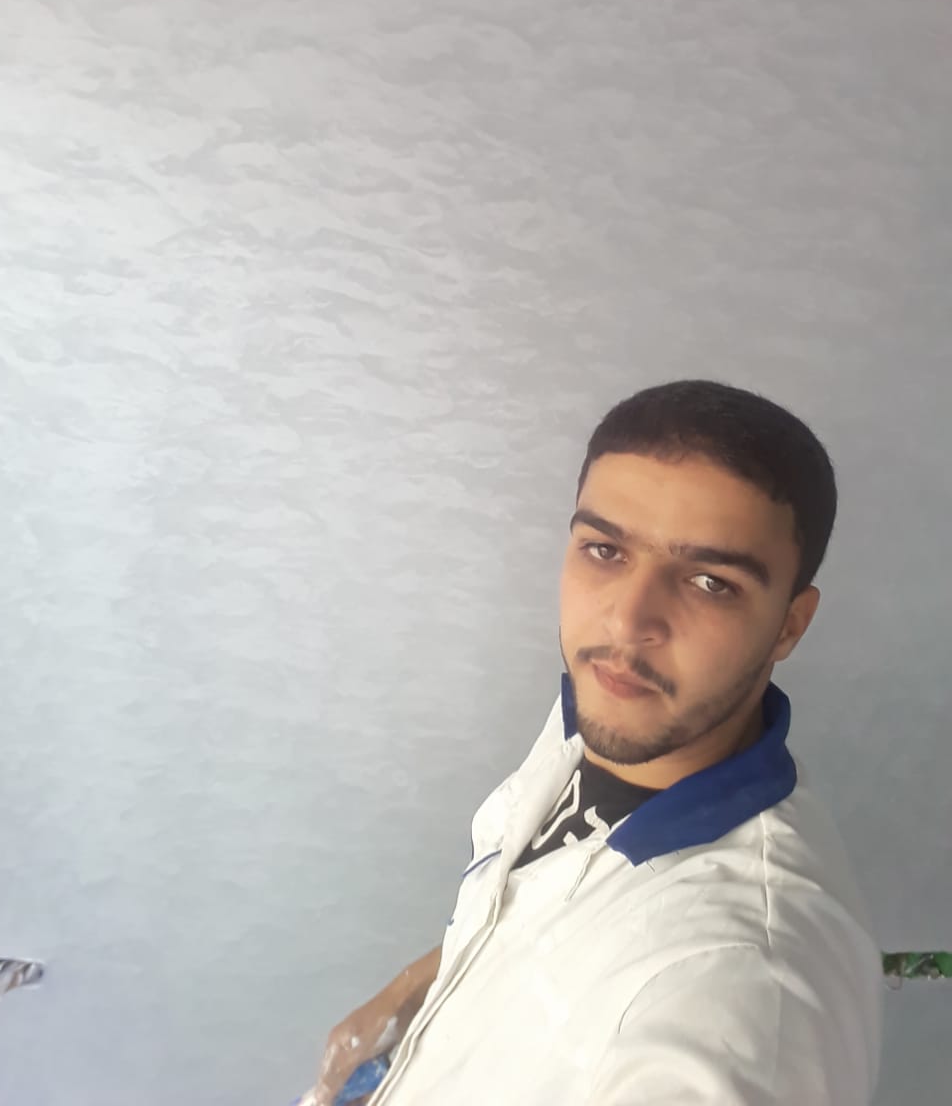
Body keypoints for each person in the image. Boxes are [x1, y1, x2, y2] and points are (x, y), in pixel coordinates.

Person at [305, 379, 883, 1105]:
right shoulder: (613, 713)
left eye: (709, 582)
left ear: (790, 625)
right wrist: (414, 991)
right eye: (606, 550)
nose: (627, 621)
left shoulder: (737, 992)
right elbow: (545, 899)